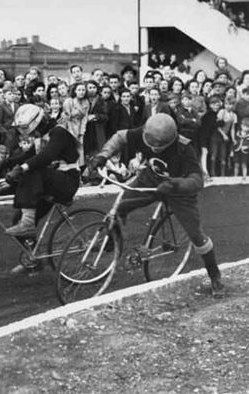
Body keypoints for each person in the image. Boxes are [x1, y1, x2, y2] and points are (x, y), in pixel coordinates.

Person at [88, 113, 224, 296]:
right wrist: (103, 155)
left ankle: (215, 276)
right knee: (120, 206)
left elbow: (197, 180)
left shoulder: (184, 148)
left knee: (197, 237)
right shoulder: (146, 133)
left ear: (170, 140)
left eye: (159, 145)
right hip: (150, 181)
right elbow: (120, 136)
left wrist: (176, 184)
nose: (153, 147)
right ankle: (112, 244)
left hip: (178, 192)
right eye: (150, 142)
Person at [1, 104, 80, 241]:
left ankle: (28, 224)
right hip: (49, 182)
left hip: (68, 181)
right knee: (17, 219)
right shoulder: (40, 137)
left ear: (38, 123)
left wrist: (23, 168)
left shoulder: (58, 132)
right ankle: (31, 258)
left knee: (32, 170)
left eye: (32, 131)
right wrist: (4, 163)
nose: (31, 134)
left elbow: (47, 156)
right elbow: (27, 157)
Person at [62, 82, 89, 167]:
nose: (81, 92)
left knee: (80, 147)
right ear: (75, 91)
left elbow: (85, 117)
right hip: (69, 126)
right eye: (79, 90)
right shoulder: (69, 101)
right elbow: (67, 118)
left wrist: (82, 130)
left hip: (80, 126)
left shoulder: (86, 102)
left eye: (83, 90)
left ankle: (80, 168)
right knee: (71, 147)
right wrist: (71, 131)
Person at [0, 84, 20, 153]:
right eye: (10, 94)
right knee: (8, 152)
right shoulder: (0, 106)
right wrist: (6, 133)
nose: (12, 95)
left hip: (17, 133)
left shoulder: (17, 105)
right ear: (4, 95)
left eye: (13, 94)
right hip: (6, 134)